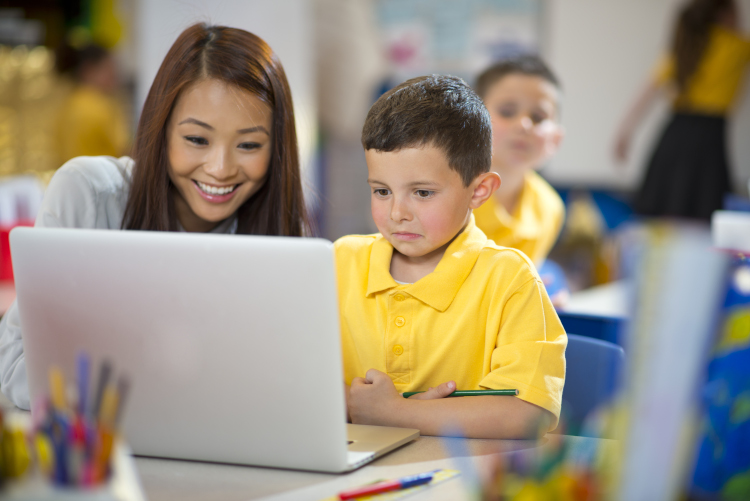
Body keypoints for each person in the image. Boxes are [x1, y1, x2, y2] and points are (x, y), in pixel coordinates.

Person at [0, 23, 311, 409]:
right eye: (197, 139)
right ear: (159, 129)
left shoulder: (282, 241)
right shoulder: (90, 195)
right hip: (107, 459)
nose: (220, 168)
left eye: (248, 145)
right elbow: (14, 369)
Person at [336, 75, 567, 439]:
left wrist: (396, 413)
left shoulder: (509, 278)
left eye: (423, 193)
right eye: (381, 191)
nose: (397, 213)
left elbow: (529, 414)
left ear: (479, 191)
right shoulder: (340, 261)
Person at [614, 0, 750, 220]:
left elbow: (646, 93)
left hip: (675, 134)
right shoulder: (736, 45)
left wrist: (623, 132)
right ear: (725, 14)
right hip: (709, 136)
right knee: (705, 209)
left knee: (669, 207)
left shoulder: (686, 46)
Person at [472, 55, 565, 268]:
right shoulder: (443, 196)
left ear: (556, 140)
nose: (524, 124)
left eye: (538, 117)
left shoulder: (549, 209)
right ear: (471, 121)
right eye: (507, 112)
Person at [54, 44, 130, 163]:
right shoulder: (102, 106)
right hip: (102, 178)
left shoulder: (68, 105)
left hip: (71, 178)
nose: (114, 77)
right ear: (88, 70)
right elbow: (124, 151)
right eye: (109, 69)